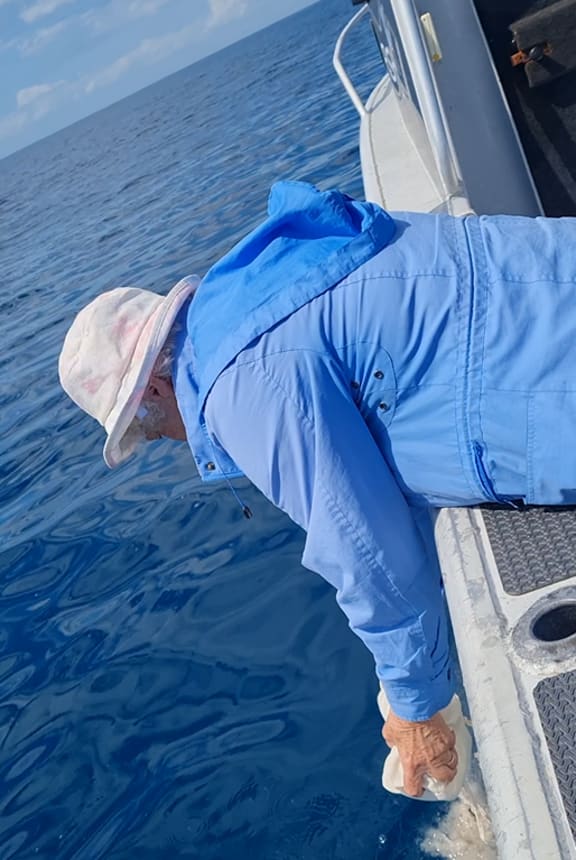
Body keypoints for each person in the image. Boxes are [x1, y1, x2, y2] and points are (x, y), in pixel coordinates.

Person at [58, 180, 576, 799]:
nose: (162, 439)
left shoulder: (238, 385)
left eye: (142, 428)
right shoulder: (256, 292)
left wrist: (419, 711)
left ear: (152, 391)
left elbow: (367, 550)